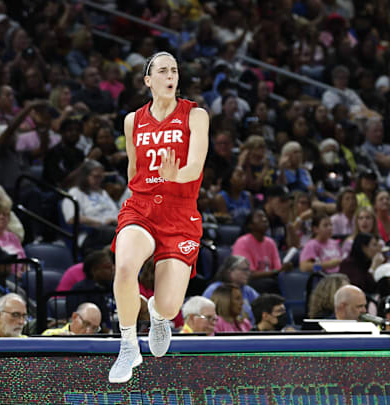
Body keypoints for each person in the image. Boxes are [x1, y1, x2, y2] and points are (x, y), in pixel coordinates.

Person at [108, 52, 210, 383]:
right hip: (142, 205)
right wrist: (147, 186)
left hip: (180, 210)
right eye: (163, 70)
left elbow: (195, 165)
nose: (170, 75)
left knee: (168, 305)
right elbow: (133, 169)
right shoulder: (132, 120)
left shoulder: (195, 115)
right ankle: (127, 346)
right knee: (124, 268)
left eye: (175, 70)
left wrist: (175, 174)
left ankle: (157, 315)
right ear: (148, 80)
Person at [202, 255, 259, 324]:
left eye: (248, 270)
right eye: (244, 270)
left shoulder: (248, 291)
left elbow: (261, 308)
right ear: (229, 271)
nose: (248, 273)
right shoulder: (215, 289)